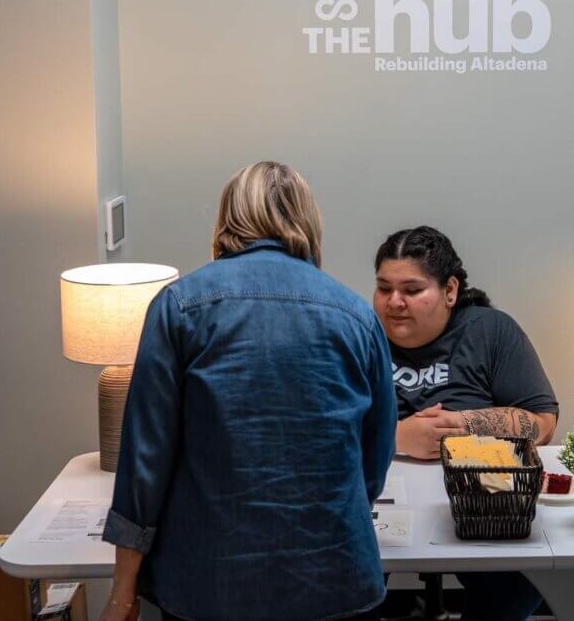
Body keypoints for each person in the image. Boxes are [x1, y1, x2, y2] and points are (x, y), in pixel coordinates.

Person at [99, 162, 397, 621]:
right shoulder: (357, 316)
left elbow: (145, 462)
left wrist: (123, 593)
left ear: (229, 218)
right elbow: (374, 460)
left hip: (211, 585)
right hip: (335, 579)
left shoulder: (179, 307)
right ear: (308, 221)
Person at [373, 226, 558, 621]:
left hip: (480, 499)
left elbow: (542, 422)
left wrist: (462, 426)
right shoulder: (360, 333)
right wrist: (397, 436)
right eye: (384, 288)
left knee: (514, 587)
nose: (394, 302)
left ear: (450, 291)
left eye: (411, 290)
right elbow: (322, 430)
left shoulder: (490, 330)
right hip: (381, 499)